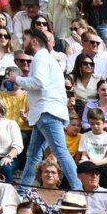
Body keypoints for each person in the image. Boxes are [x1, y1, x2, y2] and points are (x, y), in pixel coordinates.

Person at [18, 27, 81, 192]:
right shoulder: (46, 58)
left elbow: (39, 82)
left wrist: (17, 79)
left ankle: (78, 189)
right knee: (33, 155)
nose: (22, 44)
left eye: (24, 40)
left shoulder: (40, 57)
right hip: (45, 113)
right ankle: (22, 191)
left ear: (34, 41)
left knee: (60, 151)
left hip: (47, 112)